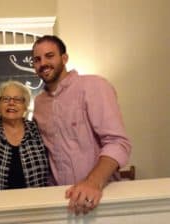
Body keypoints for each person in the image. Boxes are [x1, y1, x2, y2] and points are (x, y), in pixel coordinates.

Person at [32, 35, 132, 215]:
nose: (43, 63)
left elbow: (118, 143)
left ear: (64, 58)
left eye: (49, 56)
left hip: (100, 198)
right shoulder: (39, 103)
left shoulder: (94, 86)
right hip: (60, 203)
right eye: (37, 59)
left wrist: (92, 183)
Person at [0, 80, 49, 190]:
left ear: (25, 106)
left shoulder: (38, 131)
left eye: (18, 99)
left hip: (35, 203)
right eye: (6, 99)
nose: (11, 103)